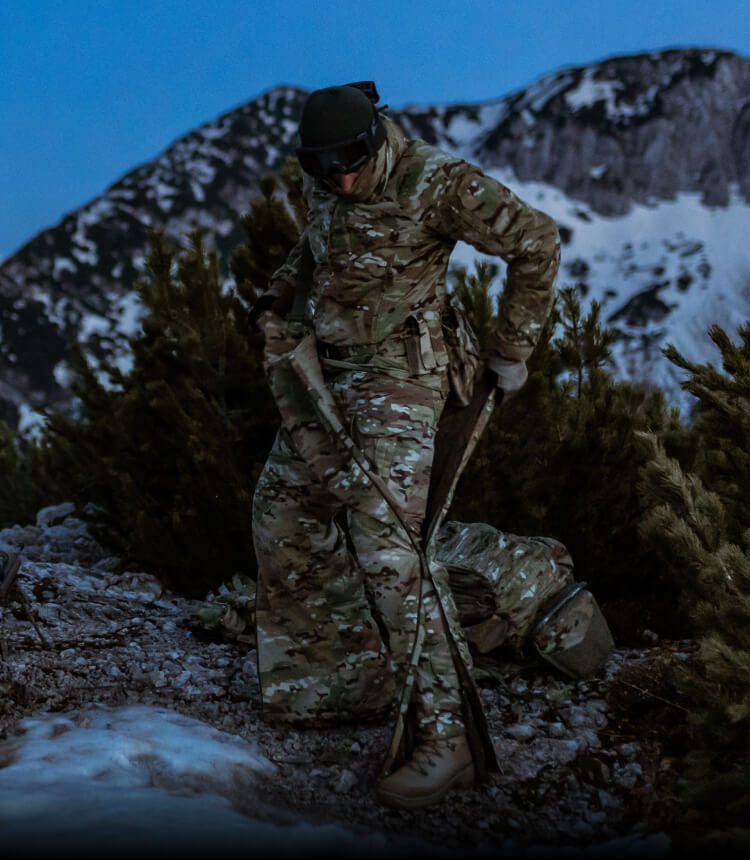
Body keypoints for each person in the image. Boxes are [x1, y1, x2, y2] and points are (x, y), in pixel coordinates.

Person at [250, 82, 560, 810]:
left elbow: (537, 240)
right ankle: (335, 684)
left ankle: (445, 736)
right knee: (282, 512)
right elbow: (317, 243)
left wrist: (510, 349)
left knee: (388, 549)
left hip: (401, 379)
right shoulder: (326, 179)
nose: (342, 179)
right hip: (324, 376)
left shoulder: (436, 181)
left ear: (376, 139)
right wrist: (279, 291)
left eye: (352, 163)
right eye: (324, 167)